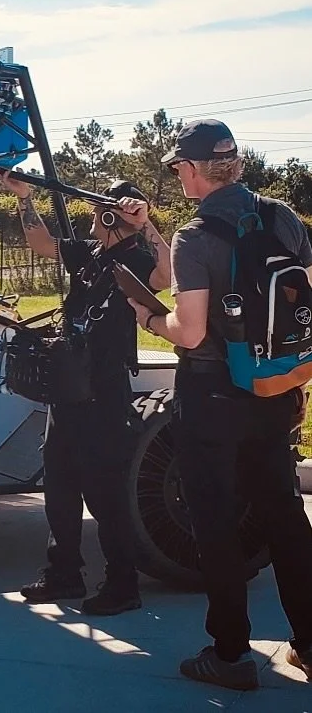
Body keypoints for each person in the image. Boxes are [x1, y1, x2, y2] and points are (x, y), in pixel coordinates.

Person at [128, 119, 312, 691]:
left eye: (177, 167)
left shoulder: (196, 235)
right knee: (284, 514)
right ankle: (309, 642)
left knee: (215, 523)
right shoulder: (284, 217)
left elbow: (189, 330)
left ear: (189, 168)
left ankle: (230, 654)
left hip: (212, 394)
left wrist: (148, 316)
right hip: (275, 387)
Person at [0, 169, 171, 615]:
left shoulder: (136, 257)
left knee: (105, 489)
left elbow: (166, 276)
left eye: (106, 212)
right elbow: (43, 244)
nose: (98, 217)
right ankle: (65, 573)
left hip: (104, 389)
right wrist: (24, 198)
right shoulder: (89, 253)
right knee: (58, 480)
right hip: (68, 386)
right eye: (101, 210)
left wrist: (146, 223)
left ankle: (122, 583)